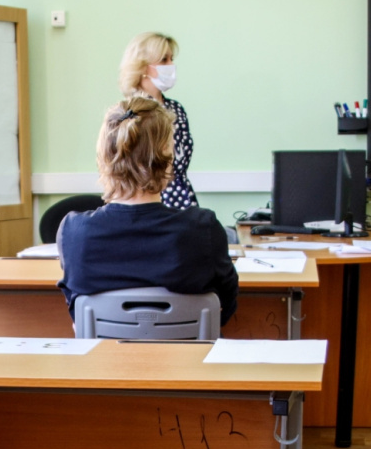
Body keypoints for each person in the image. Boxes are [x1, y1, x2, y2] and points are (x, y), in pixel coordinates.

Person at [56, 94, 237, 325]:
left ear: (104, 157)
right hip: (188, 349)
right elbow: (225, 306)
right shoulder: (203, 229)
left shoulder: (73, 232)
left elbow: (77, 312)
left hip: (104, 350)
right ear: (167, 157)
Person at [118, 31, 197, 208]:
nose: (171, 65)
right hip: (144, 203)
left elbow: (181, 163)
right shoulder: (129, 112)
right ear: (142, 66)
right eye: (163, 60)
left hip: (182, 200)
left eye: (171, 59)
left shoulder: (176, 109)